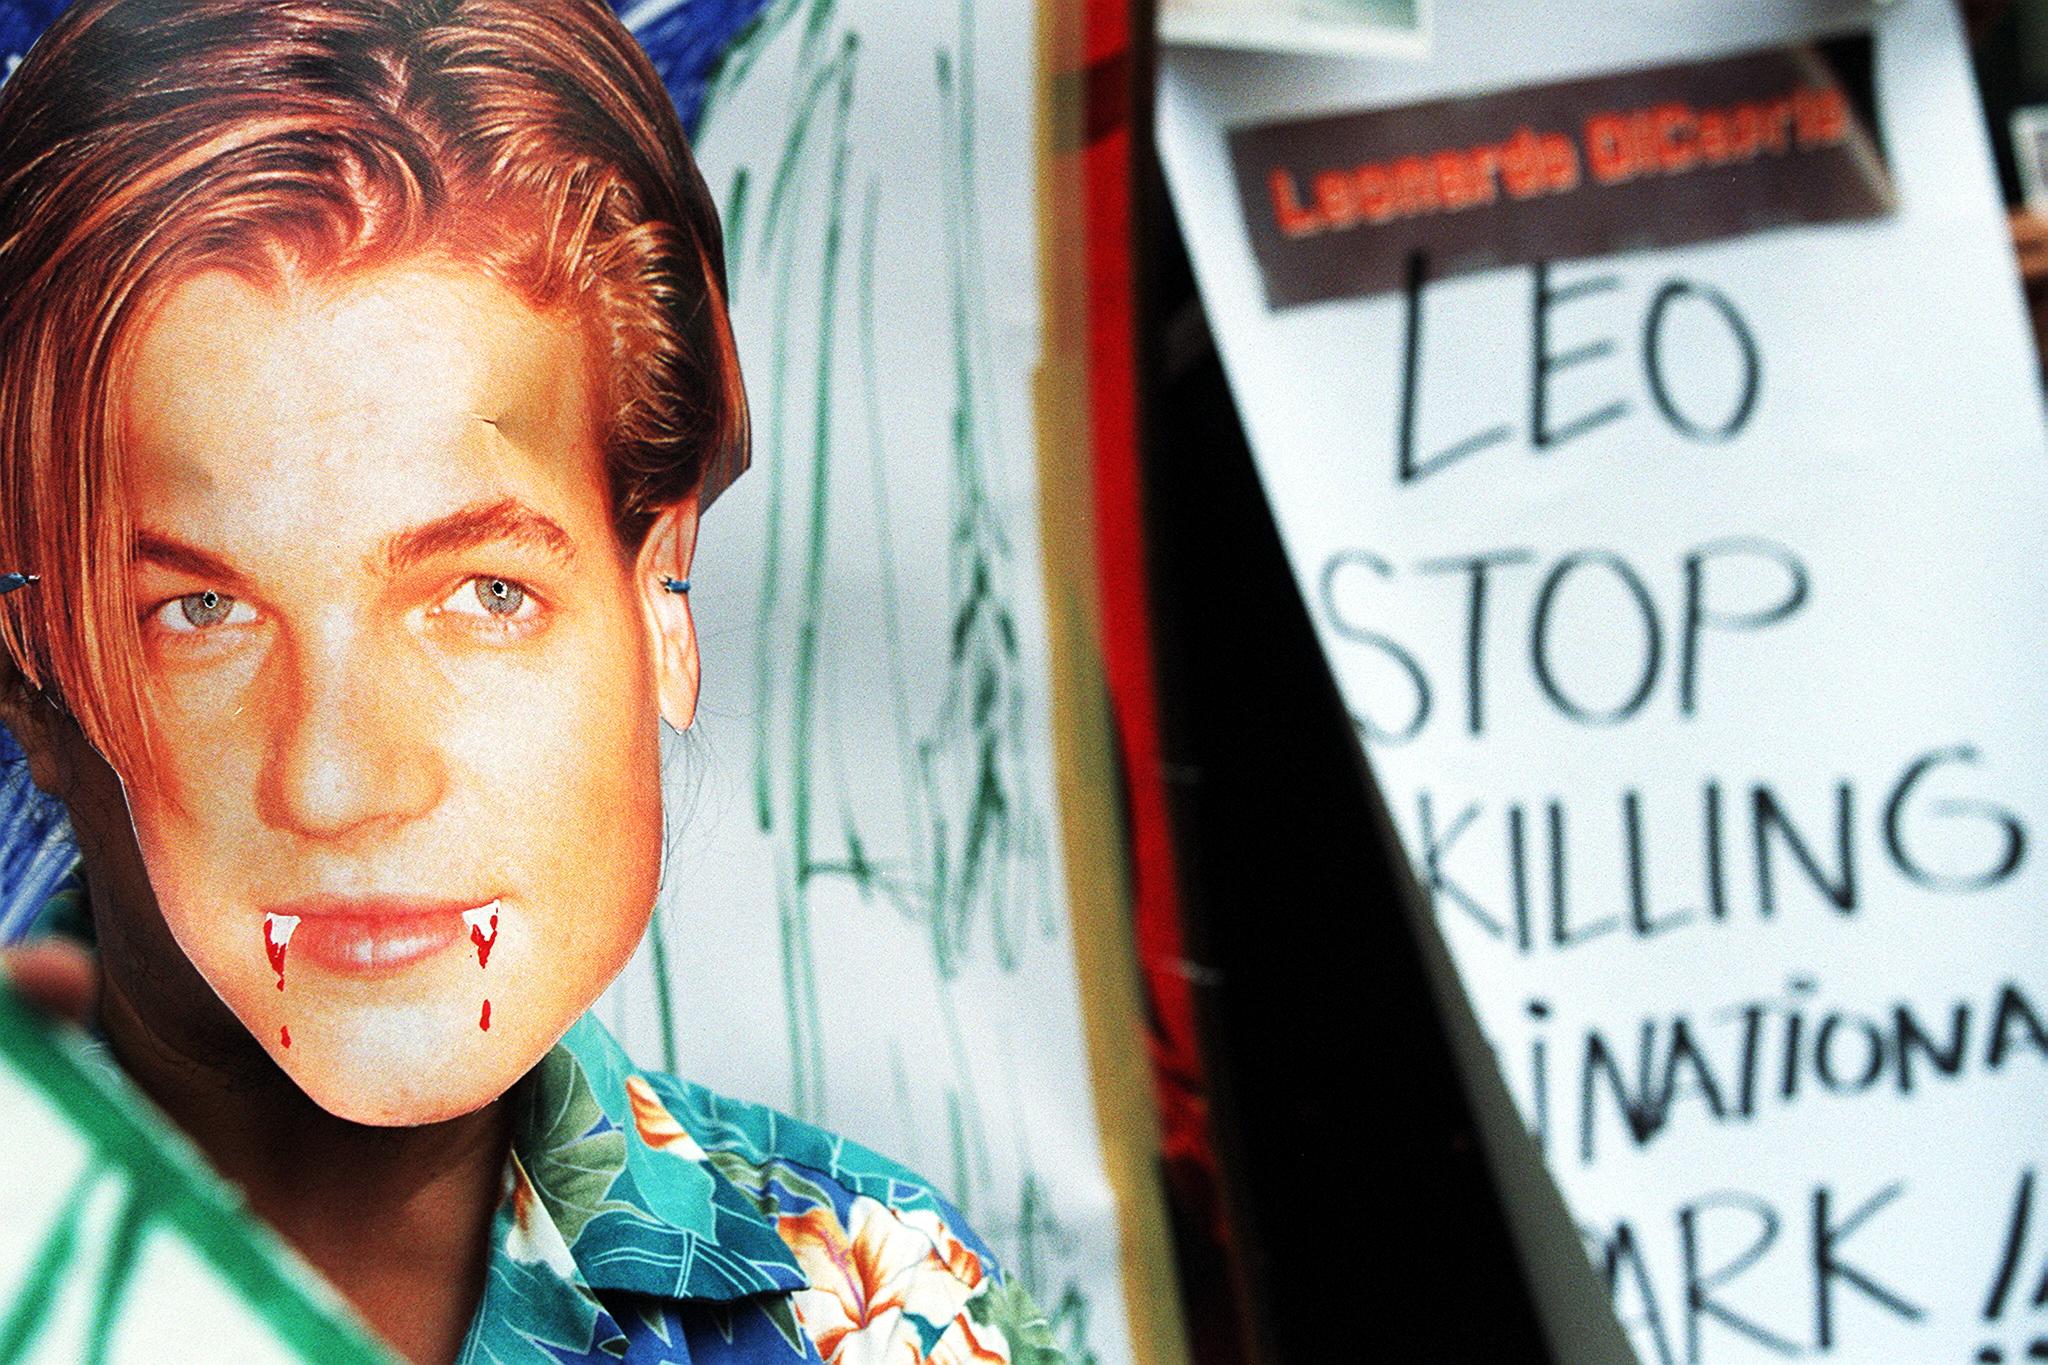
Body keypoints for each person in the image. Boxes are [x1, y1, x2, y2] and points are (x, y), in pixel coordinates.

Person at [0, 1, 1058, 1360]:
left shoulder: (881, 1308)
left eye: (482, 594)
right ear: (39, 681)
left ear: (662, 597)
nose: (340, 777)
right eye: (201, 610)